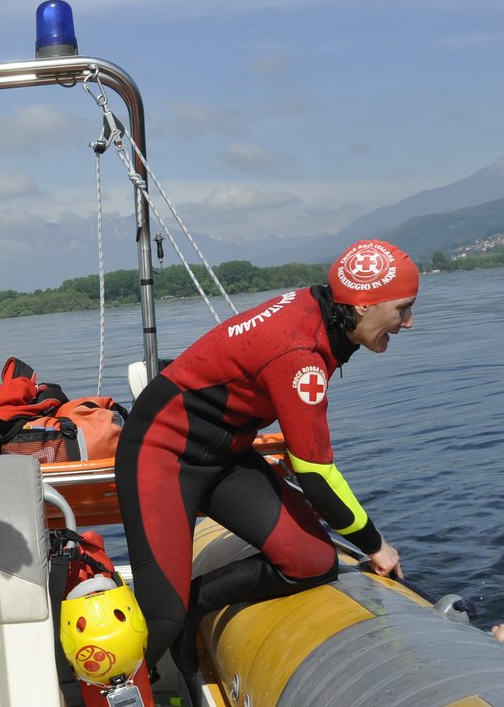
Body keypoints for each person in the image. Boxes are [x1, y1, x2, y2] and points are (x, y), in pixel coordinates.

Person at [117, 238, 417, 669]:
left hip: (225, 454)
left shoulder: (325, 314)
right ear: (364, 305)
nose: (408, 322)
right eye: (402, 308)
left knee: (312, 561)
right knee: (159, 619)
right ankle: (108, 698)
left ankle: (193, 605)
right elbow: (315, 475)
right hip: (160, 453)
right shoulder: (301, 353)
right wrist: (377, 546)